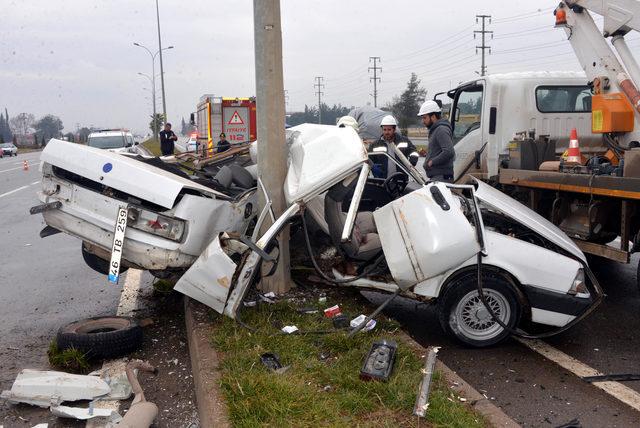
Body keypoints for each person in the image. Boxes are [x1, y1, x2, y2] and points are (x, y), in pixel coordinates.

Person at [368, 115, 419, 179]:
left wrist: (413, 160)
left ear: (394, 129)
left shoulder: (404, 141)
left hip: (401, 181)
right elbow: (368, 159)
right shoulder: (374, 145)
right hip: (382, 181)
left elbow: (414, 152)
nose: (386, 132)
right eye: (384, 129)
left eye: (389, 130)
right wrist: (372, 166)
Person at [417, 100, 455, 182]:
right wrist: (428, 155)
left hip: (441, 178)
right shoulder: (436, 129)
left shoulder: (441, 129)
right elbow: (440, 151)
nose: (423, 121)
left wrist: (432, 161)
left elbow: (449, 151)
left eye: (424, 118)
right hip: (438, 177)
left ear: (433, 116)